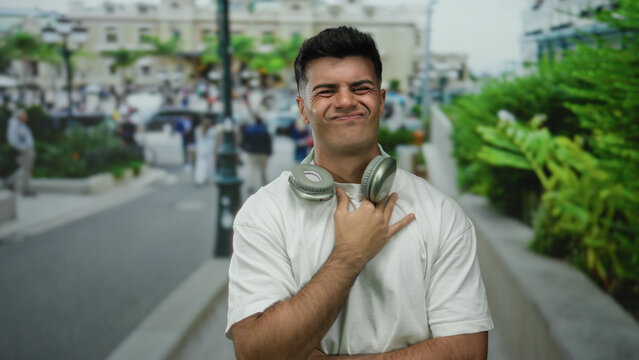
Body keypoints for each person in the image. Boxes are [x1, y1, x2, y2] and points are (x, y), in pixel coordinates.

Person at [226, 26, 493, 358]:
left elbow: (467, 352)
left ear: (380, 101)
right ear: (303, 108)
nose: (345, 100)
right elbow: (255, 352)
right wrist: (350, 255)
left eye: (360, 87)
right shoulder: (263, 212)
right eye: (326, 90)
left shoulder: (441, 212)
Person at [5, 109, 37, 196]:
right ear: (19, 116)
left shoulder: (20, 124)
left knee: (24, 169)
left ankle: (10, 181)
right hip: (24, 151)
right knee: (25, 170)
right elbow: (13, 140)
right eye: (24, 115)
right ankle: (25, 189)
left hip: (26, 149)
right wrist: (23, 148)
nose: (26, 116)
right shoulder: (14, 125)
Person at [240, 116, 272, 194]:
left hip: (252, 152)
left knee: (251, 169)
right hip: (263, 153)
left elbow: (244, 140)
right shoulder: (264, 130)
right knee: (263, 170)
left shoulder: (249, 130)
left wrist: (246, 148)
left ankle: (251, 186)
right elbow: (268, 142)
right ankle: (265, 185)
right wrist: (269, 152)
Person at [193, 118, 216, 185]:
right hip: (208, 149)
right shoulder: (211, 131)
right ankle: (208, 178)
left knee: (201, 165)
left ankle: (200, 178)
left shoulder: (198, 130)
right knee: (209, 164)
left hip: (201, 149)